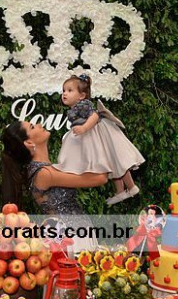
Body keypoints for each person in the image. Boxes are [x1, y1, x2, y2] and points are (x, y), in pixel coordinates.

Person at [2, 121, 107, 251]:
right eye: (32, 127)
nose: (39, 124)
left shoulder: (45, 170)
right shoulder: (44, 174)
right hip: (70, 240)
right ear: (29, 143)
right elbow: (100, 178)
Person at [52, 74, 145, 205]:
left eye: (69, 90)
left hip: (100, 133)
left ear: (82, 95)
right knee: (112, 162)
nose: (64, 94)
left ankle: (131, 187)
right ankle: (121, 191)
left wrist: (84, 128)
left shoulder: (83, 105)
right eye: (64, 90)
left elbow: (95, 116)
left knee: (116, 159)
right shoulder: (75, 107)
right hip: (92, 135)